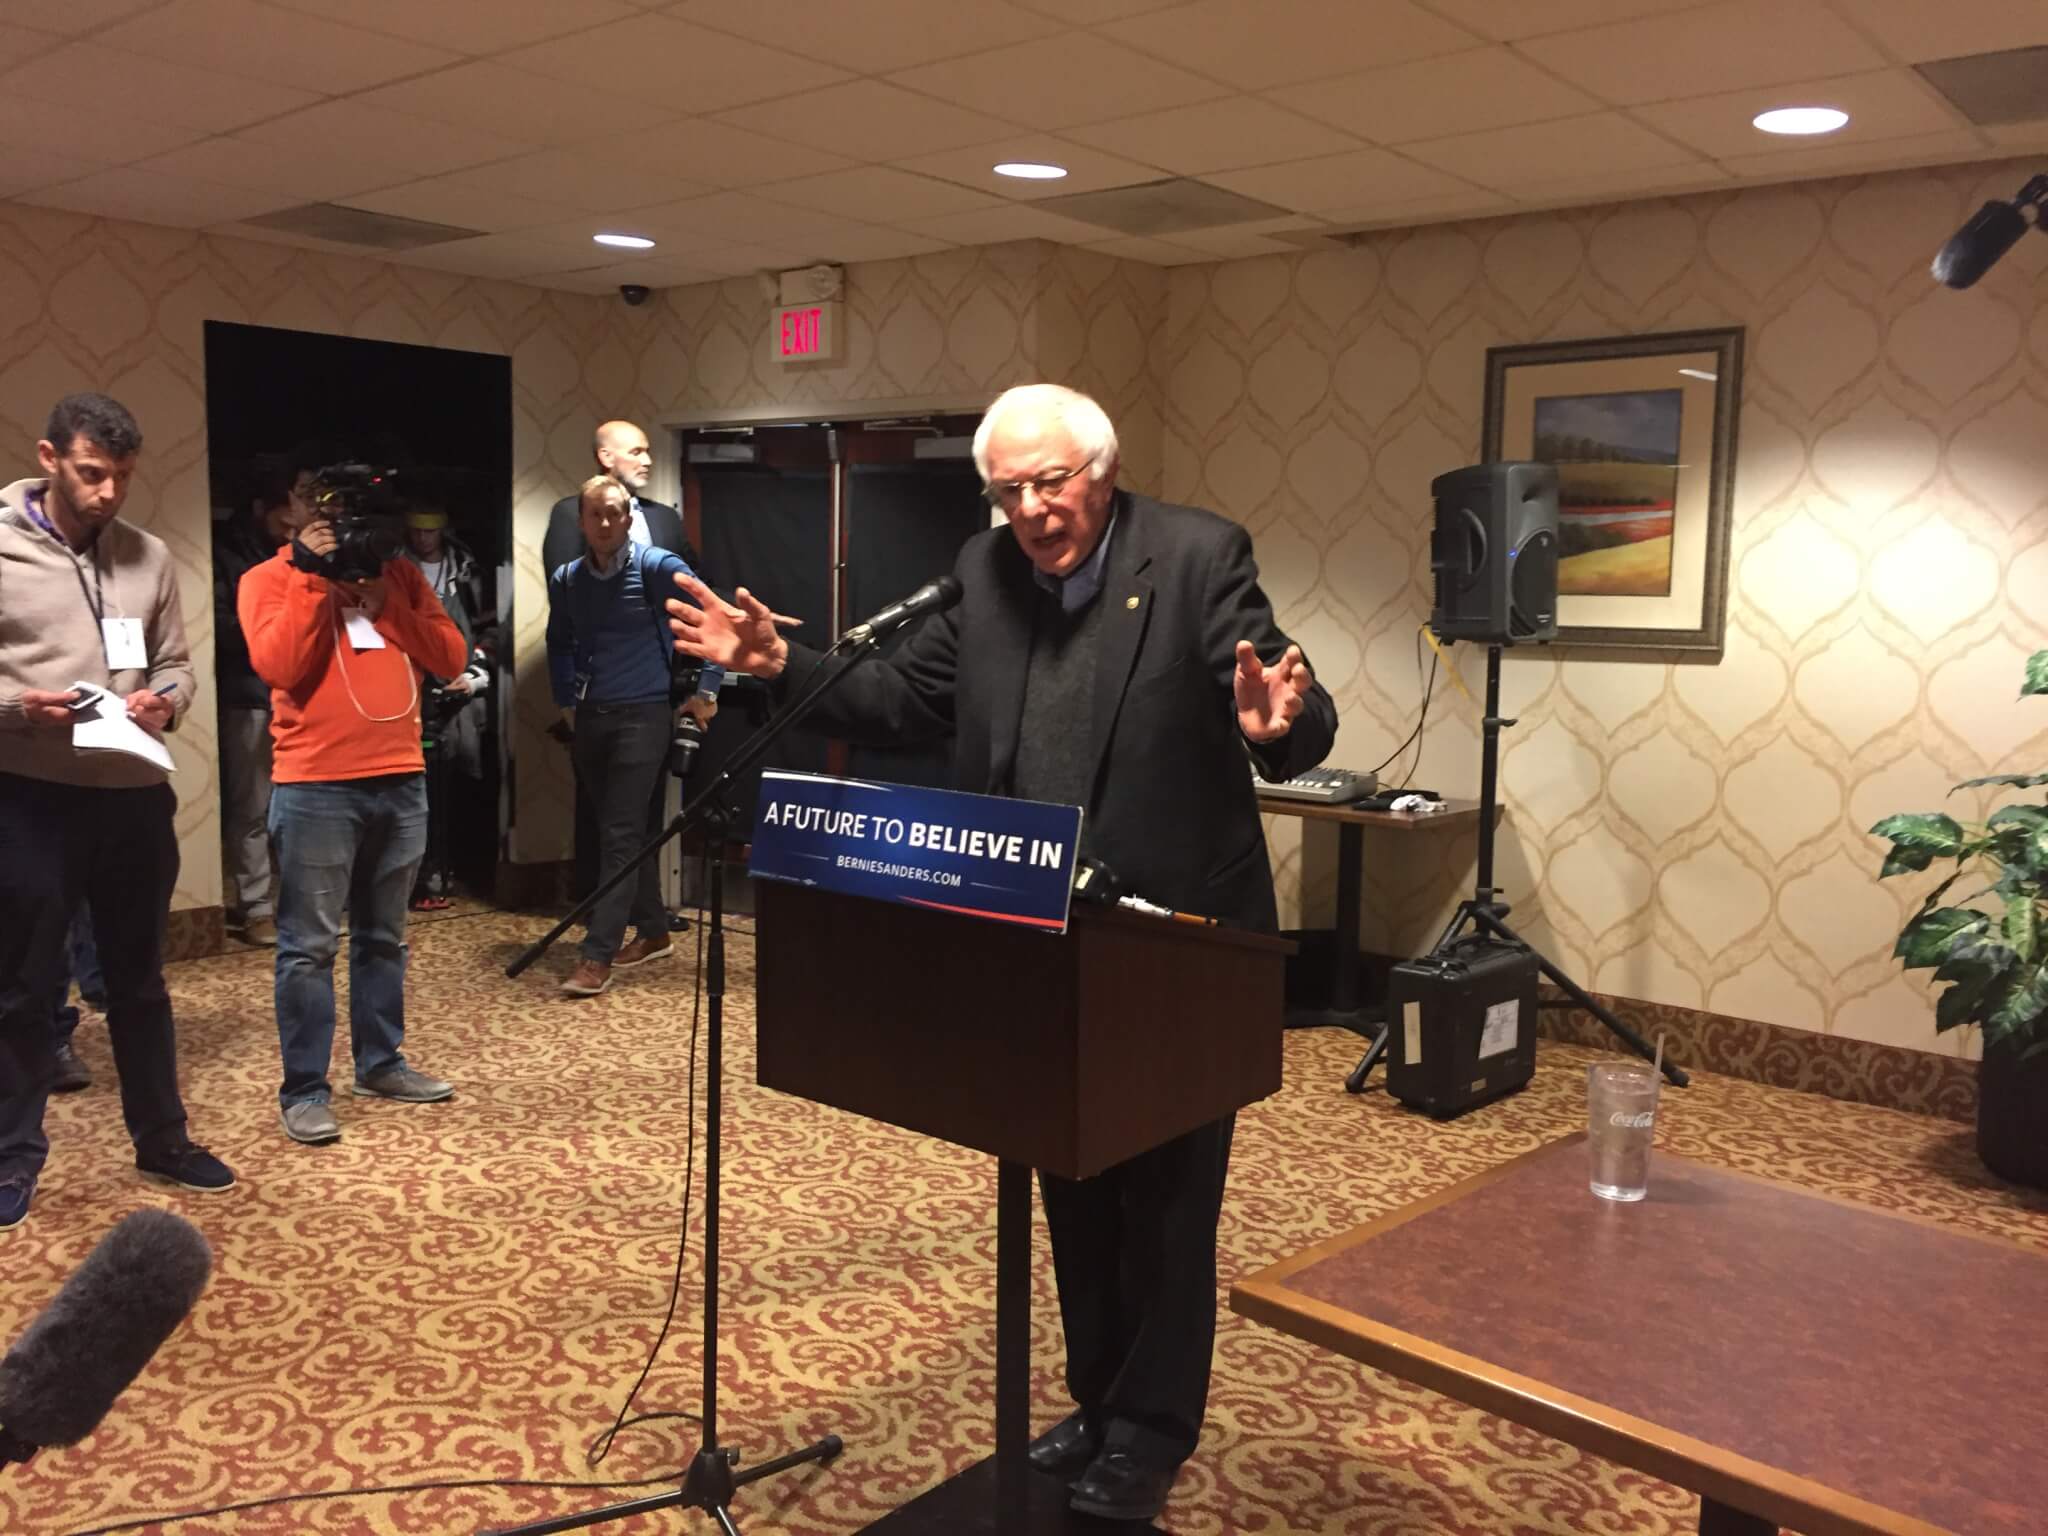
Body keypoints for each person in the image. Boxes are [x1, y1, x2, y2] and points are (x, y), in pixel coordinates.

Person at [667, 383, 1337, 1521]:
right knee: (1069, 1180)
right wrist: (783, 664)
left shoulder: (1195, 555)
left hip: (1173, 947)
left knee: (1166, 1210)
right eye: (1008, 491)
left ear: (1103, 470)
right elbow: (899, 695)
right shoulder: (980, 574)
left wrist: (1281, 730)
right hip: (1032, 936)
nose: (1031, 510)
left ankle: (1152, 1429)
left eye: (1050, 483)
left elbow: (1277, 701)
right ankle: (1095, 1398)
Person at [0, 391, 238, 1231]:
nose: (108, 494)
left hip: (134, 795)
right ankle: (13, 1158)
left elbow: (176, 663)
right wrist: (17, 707)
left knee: (139, 983)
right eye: (93, 474)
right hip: (30, 798)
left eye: (122, 478)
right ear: (49, 457)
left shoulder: (150, 556)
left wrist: (165, 704)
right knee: (24, 989)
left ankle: (163, 1139)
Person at [238, 470, 468, 1146]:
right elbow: (280, 666)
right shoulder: (268, 579)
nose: (334, 516)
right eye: (317, 503)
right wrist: (313, 577)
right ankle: (305, 1089)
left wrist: (386, 604)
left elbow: (452, 657)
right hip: (316, 785)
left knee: (384, 939)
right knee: (308, 947)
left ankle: (381, 1063)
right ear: (292, 508)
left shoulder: (398, 575)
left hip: (401, 777)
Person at [546, 477, 721, 997]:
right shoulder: (568, 578)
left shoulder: (658, 566)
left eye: (615, 514)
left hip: (644, 718)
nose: (605, 523)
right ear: (581, 521)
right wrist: (565, 702)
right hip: (592, 716)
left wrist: (707, 689)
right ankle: (653, 930)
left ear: (628, 519)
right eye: (595, 514)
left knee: (620, 835)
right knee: (624, 834)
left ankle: (596, 955)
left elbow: (711, 617)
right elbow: (559, 641)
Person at [543, 420, 700, 907]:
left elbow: (696, 587)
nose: (648, 460)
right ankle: (599, 907)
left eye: (650, 450)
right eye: (636, 451)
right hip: (600, 690)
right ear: (605, 458)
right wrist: (569, 696)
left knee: (645, 807)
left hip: (659, 682)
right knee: (602, 811)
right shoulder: (570, 513)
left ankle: (645, 912)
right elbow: (566, 606)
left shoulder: (666, 521)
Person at [214, 456, 316, 945]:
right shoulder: (229, 551)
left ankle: (297, 906)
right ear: (262, 506)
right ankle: (254, 906)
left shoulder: (307, 551)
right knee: (251, 806)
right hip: (249, 694)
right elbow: (223, 628)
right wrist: (275, 628)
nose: (301, 510)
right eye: (294, 497)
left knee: (298, 805)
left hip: (303, 695)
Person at [400, 504, 492, 910]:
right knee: (414, 787)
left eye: (430, 532)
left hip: (462, 688)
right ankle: (419, 877)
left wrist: (475, 675)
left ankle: (452, 871)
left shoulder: (468, 571)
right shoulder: (396, 571)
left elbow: (490, 628)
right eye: (416, 532)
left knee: (461, 783)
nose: (423, 539)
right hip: (412, 692)